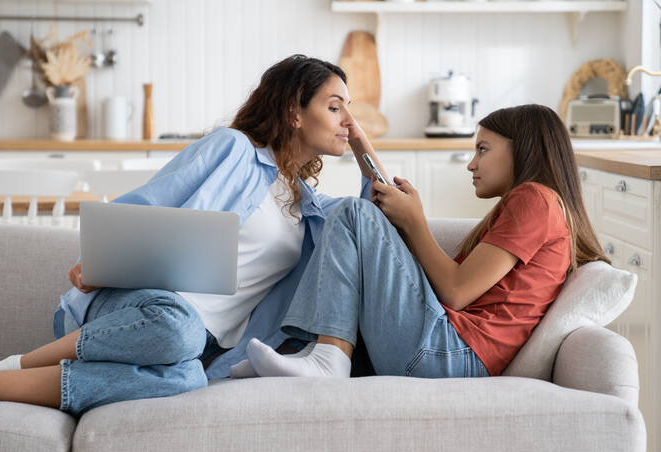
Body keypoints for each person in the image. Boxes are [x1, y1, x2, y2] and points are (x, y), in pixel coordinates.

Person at [0, 54, 388, 421]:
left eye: (350, 110)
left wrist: (365, 148)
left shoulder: (313, 211)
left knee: (190, 375)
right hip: (142, 307)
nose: (349, 120)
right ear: (294, 112)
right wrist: (99, 258)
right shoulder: (234, 150)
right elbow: (149, 203)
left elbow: (372, 221)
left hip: (199, 347)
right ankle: (7, 365)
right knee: (178, 327)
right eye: (335, 106)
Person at [241, 104, 610, 379]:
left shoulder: (536, 200)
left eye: (483, 149)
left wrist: (416, 223)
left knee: (354, 213)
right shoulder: (533, 206)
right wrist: (358, 141)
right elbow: (404, 252)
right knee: (362, 217)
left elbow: (455, 291)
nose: (471, 163)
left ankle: (326, 357)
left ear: (523, 149)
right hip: (445, 349)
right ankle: (310, 353)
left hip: (450, 354)